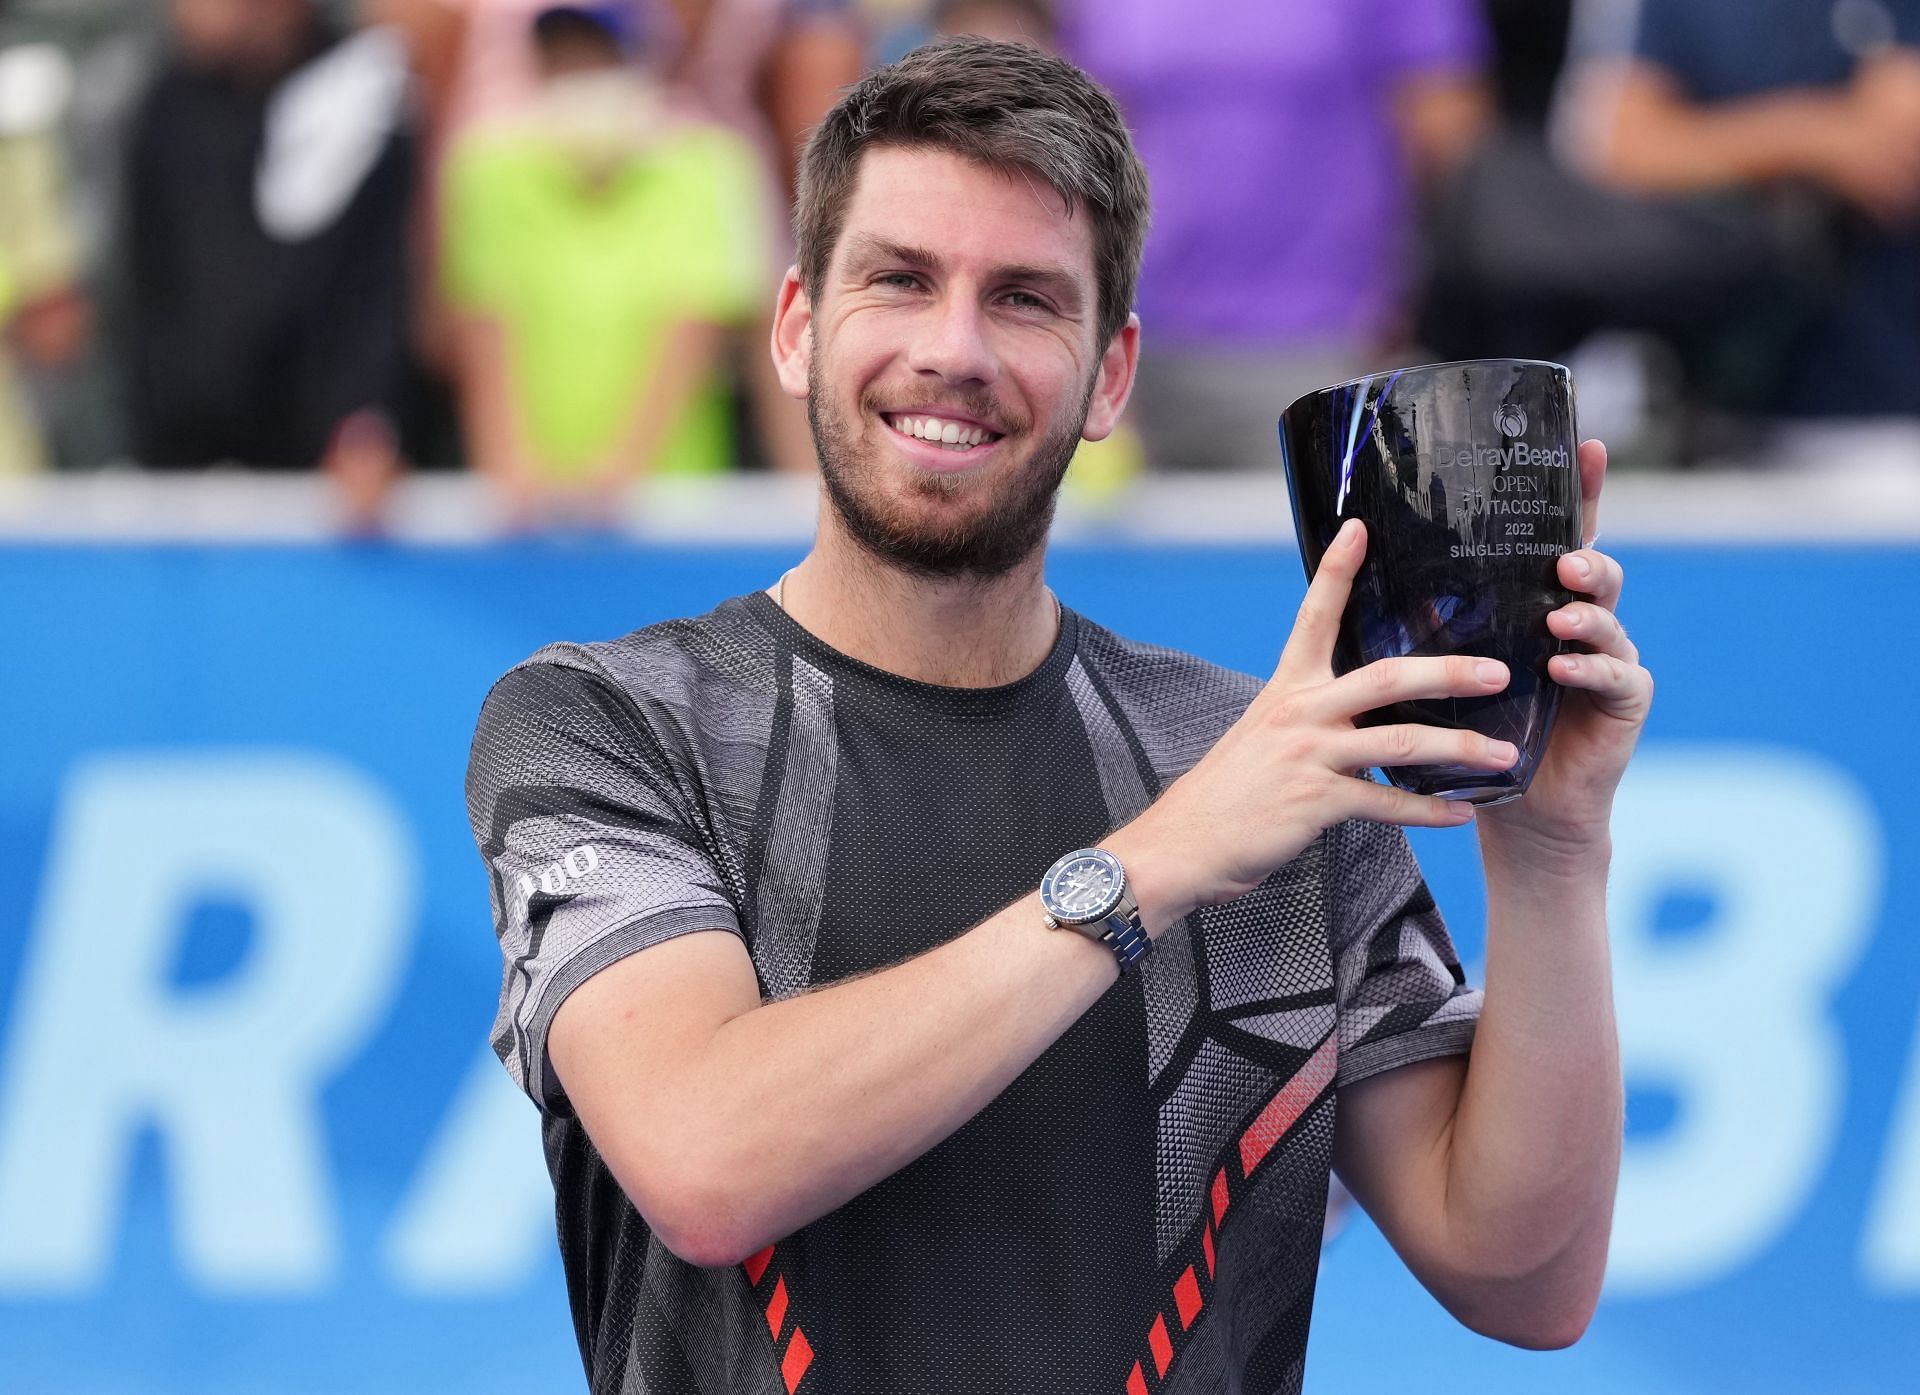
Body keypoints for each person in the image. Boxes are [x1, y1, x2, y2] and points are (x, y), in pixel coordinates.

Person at [465, 37, 1649, 1394]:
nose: (951, 350)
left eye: (1025, 299)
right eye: (900, 280)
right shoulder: (603, 722)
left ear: (1111, 374)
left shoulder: (1265, 765)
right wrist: (1148, 867)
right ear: (797, 323)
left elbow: (1526, 1277)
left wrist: (1552, 852)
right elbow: (706, 1159)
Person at [1056, 0, 1494, 472]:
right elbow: (1079, 136)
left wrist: (1405, 297)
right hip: (1132, 352)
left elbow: (1448, 134)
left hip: (1322, 353)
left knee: (1321, 543)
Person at [440, 3, 775, 523]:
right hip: (523, 509)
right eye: (561, 64)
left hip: (672, 508)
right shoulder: (489, 170)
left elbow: (696, 328)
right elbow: (485, 323)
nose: (579, 81)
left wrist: (621, 474)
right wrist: (507, 463)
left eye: (597, 61)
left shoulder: (711, 165)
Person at [1563, 0, 1920, 441]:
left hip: (1895, 390)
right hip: (1739, 418)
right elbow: (1622, 149)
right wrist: (1814, 137)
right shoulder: (1696, 11)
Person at [121, 0, 416, 521]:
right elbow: (151, 298)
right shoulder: (165, 103)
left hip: (326, 479)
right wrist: (166, 454)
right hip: (187, 481)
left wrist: (364, 424)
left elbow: (377, 287)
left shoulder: (365, 88)